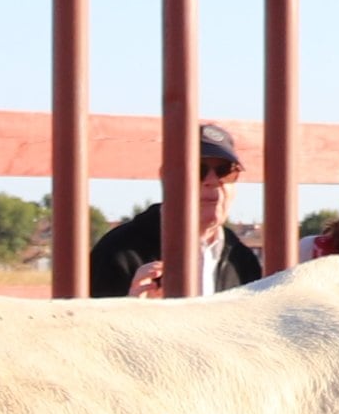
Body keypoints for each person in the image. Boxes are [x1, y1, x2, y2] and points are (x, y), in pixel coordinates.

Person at [90, 122, 263, 298]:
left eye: (225, 171)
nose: (212, 181)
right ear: (167, 177)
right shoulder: (118, 253)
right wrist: (132, 307)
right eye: (198, 170)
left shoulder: (242, 261)